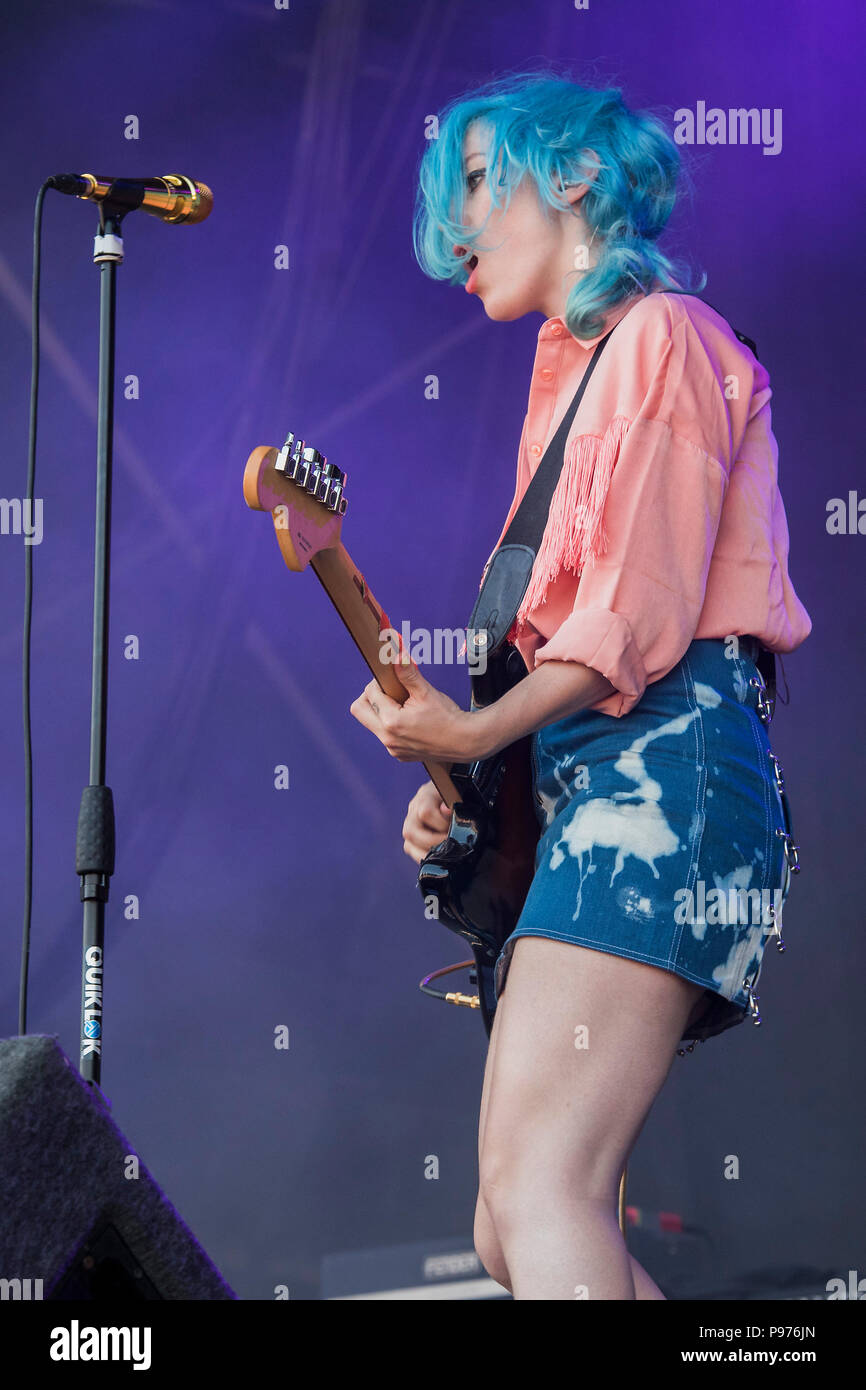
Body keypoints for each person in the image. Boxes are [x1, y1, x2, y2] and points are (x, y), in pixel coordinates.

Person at [348, 70, 811, 1301]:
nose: (455, 232)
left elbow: (634, 619)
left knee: (541, 1190)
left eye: (481, 186)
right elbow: (568, 649)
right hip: (601, 797)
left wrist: (480, 722)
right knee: (516, 1224)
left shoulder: (662, 337)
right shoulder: (574, 382)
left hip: (667, 788)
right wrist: (468, 772)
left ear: (574, 177)